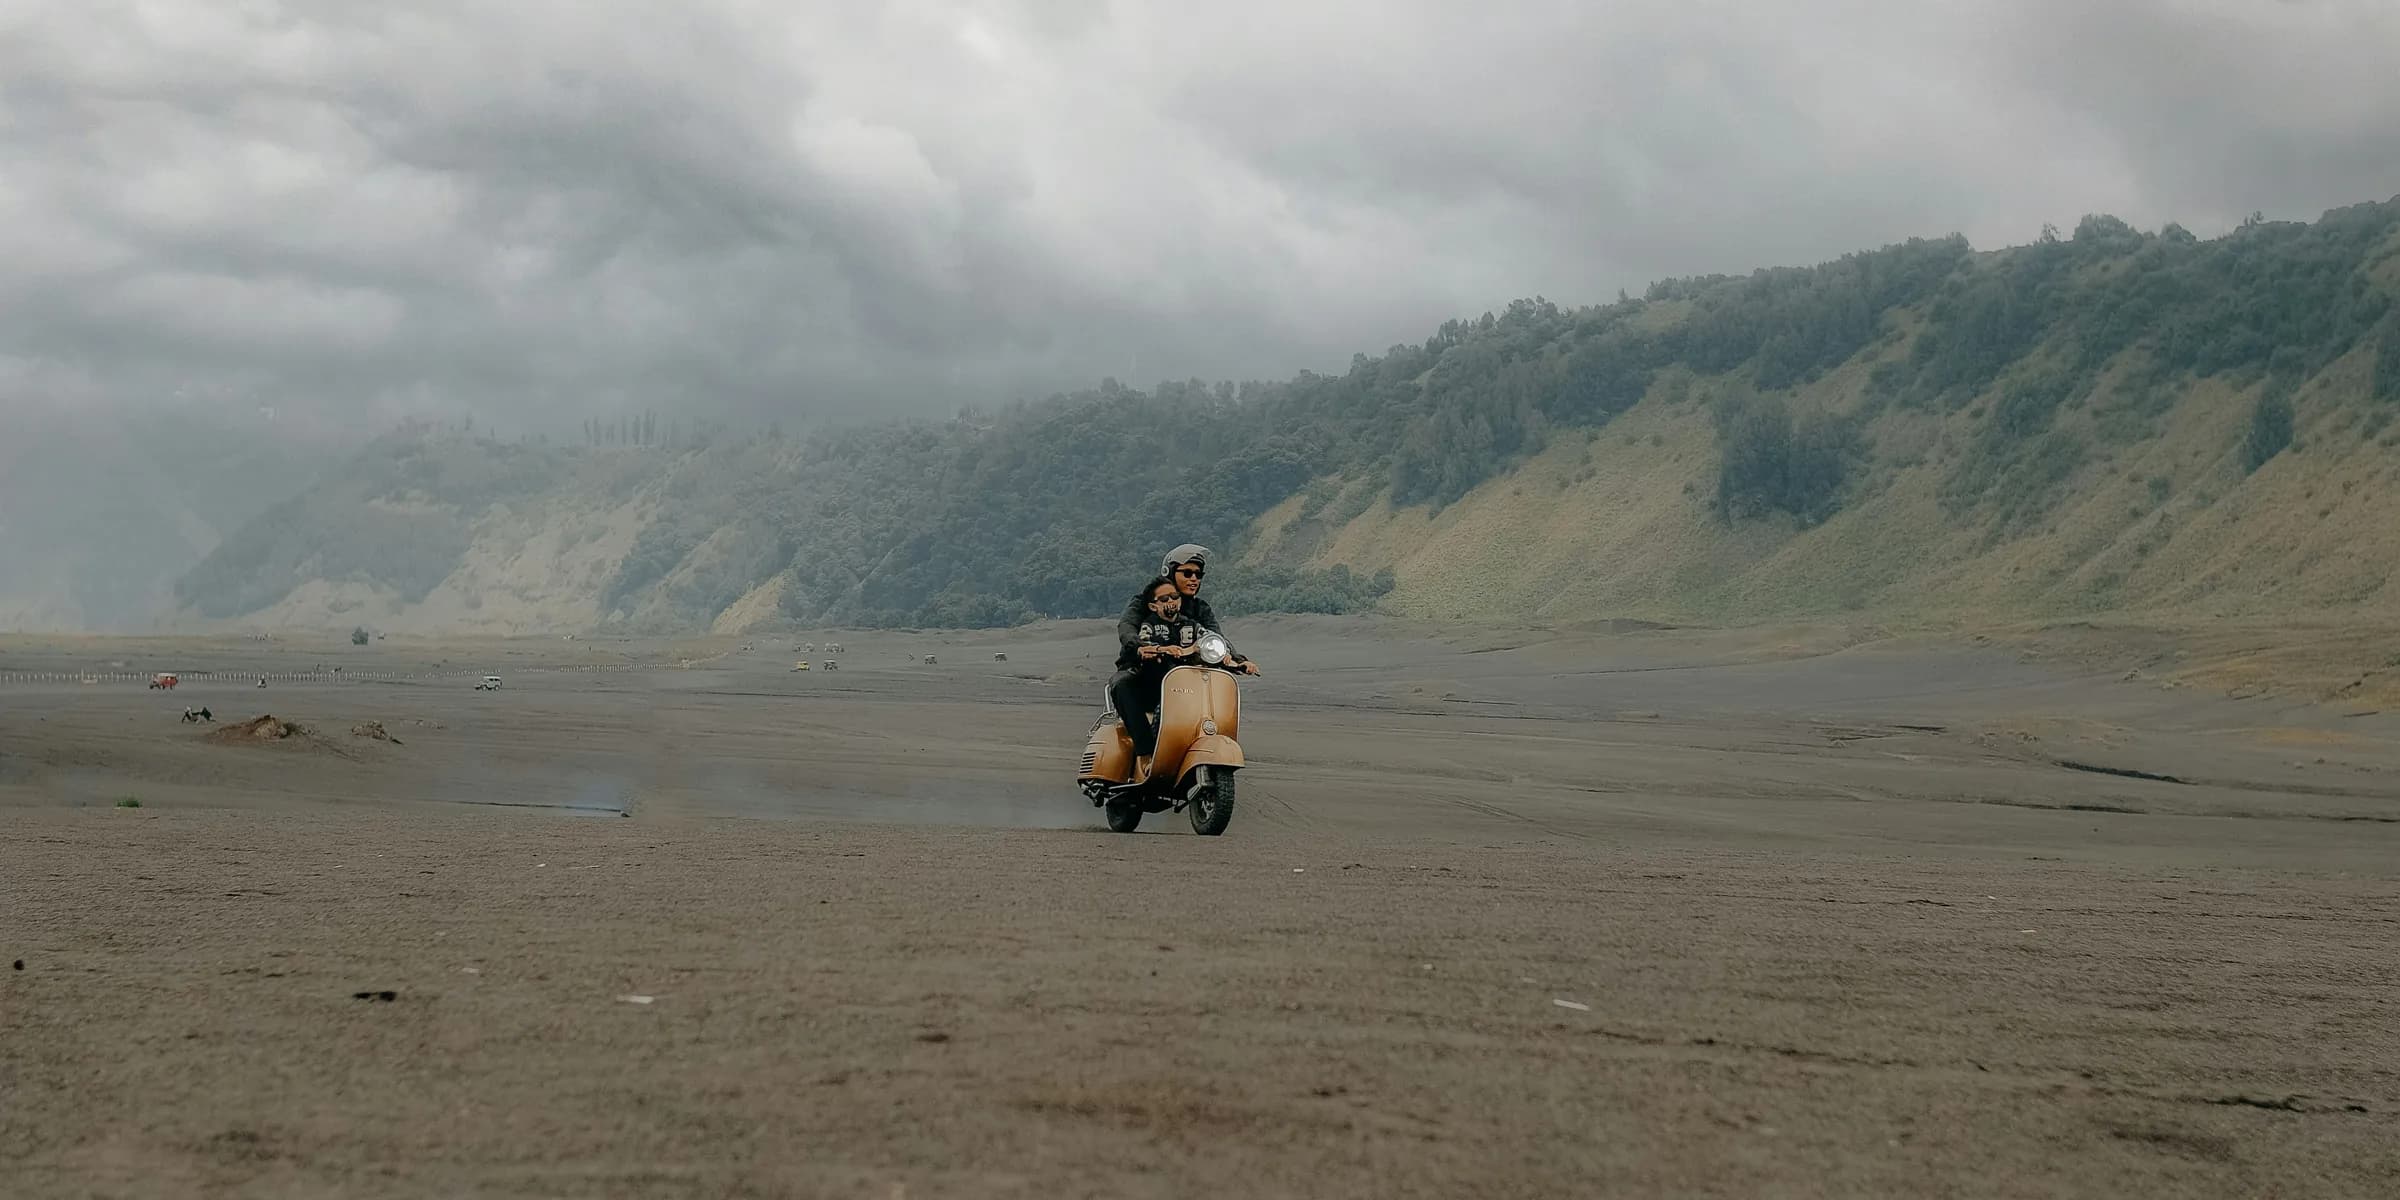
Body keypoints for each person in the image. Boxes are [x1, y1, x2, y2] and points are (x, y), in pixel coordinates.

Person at [1117, 543, 1260, 677]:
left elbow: (1215, 637)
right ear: (1170, 573)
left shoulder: (1200, 608)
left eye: (1198, 575)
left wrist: (1238, 660)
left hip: (1191, 669)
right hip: (1144, 668)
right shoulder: (1144, 602)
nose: (1194, 579)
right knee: (1123, 684)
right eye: (1187, 573)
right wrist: (1141, 647)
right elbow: (1126, 627)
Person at [1110, 576, 1199, 777]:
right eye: (1165, 599)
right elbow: (1129, 632)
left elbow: (1213, 636)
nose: (1171, 601)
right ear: (1152, 605)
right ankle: (1145, 752)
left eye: (1174, 596)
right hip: (1150, 673)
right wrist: (1150, 648)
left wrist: (1234, 657)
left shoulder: (1193, 619)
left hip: (1187, 678)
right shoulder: (1144, 616)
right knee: (1122, 684)